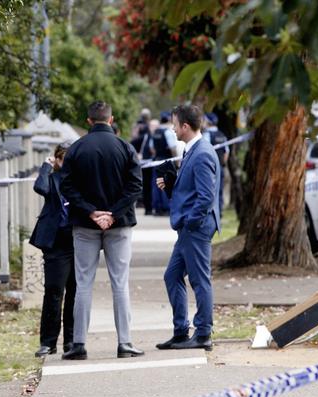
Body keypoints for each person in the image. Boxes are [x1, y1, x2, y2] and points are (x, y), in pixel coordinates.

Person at [59, 101, 144, 360]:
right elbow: (135, 186)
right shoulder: (124, 148)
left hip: (85, 225)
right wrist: (113, 213)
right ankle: (125, 342)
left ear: (88, 121)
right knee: (120, 283)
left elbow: (66, 186)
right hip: (119, 225)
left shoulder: (76, 149)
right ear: (111, 119)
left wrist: (91, 211)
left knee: (83, 283)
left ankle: (79, 344)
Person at [155, 104, 220, 351]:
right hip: (188, 228)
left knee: (200, 280)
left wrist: (190, 222)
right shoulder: (192, 150)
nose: (172, 128)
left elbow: (205, 197)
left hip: (196, 228)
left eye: (174, 124)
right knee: (172, 276)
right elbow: (192, 190)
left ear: (185, 126)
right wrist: (172, 185)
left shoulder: (202, 153)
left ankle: (203, 333)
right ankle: (181, 331)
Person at [29, 142, 76, 358]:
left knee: (76, 292)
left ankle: (72, 340)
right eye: (63, 159)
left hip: (79, 240)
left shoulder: (80, 178)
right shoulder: (52, 177)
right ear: (57, 160)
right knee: (54, 292)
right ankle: (48, 342)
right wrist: (46, 168)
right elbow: (41, 188)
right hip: (56, 243)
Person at [149, 111, 178, 215]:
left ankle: (157, 208)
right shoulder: (168, 132)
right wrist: (175, 160)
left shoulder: (155, 132)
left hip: (156, 160)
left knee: (156, 184)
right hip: (167, 160)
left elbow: (151, 148)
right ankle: (166, 208)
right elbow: (172, 148)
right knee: (166, 183)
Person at [202, 113, 229, 217]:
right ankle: (219, 211)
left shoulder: (207, 135)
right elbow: (226, 152)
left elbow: (205, 150)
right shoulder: (222, 135)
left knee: (208, 190)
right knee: (219, 189)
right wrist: (223, 163)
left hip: (209, 167)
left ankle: (211, 212)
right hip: (220, 167)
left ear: (208, 122)